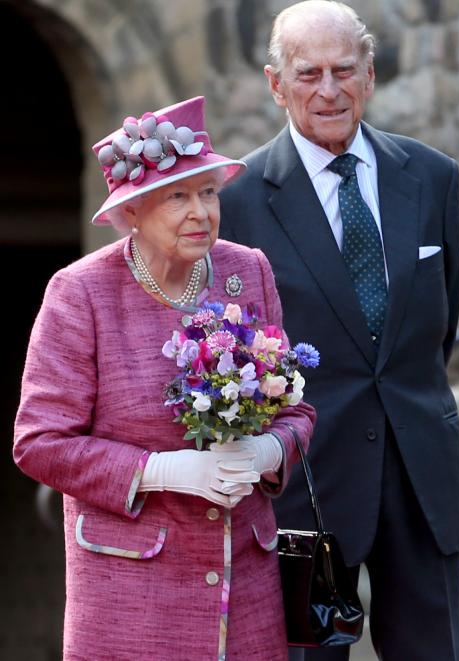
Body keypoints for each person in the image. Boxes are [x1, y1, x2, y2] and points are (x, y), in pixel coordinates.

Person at [13, 95, 316, 661]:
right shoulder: (80, 293)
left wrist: (267, 452)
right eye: (178, 196)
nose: (201, 212)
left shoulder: (247, 270)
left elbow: (296, 409)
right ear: (132, 211)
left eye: (208, 192)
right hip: (131, 602)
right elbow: (39, 443)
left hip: (243, 592)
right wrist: (161, 470)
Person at [219, 2, 459, 660]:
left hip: (421, 480)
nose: (328, 90)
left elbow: (433, 333)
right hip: (306, 489)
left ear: (370, 75)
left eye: (343, 70)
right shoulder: (238, 201)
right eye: (308, 74)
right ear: (277, 85)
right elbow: (234, 348)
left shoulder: (433, 176)